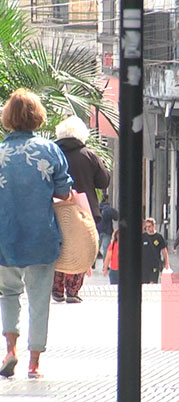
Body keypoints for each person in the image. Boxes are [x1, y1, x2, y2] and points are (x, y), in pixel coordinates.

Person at [0, 88, 73, 378]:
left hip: (5, 236)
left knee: (8, 293)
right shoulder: (50, 150)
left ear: (8, 117)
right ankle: (34, 364)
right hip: (41, 235)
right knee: (39, 298)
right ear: (37, 116)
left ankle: (10, 350)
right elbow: (64, 190)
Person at [51, 116, 111, 303]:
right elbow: (103, 181)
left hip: (55, 207)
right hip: (84, 210)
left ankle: (57, 289)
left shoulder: (52, 153)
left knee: (59, 247)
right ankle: (73, 290)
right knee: (82, 246)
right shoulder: (88, 154)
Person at [142, 218, 170, 283]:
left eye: (149, 226)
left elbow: (164, 251)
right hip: (144, 265)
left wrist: (166, 263)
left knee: (152, 283)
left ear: (154, 226)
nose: (148, 228)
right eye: (146, 227)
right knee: (144, 284)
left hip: (155, 264)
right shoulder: (143, 237)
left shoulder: (159, 237)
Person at [97, 194, 119, 261]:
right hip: (107, 231)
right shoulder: (109, 209)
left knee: (96, 247)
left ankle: (92, 264)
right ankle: (105, 264)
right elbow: (116, 217)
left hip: (98, 230)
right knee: (106, 248)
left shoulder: (97, 208)